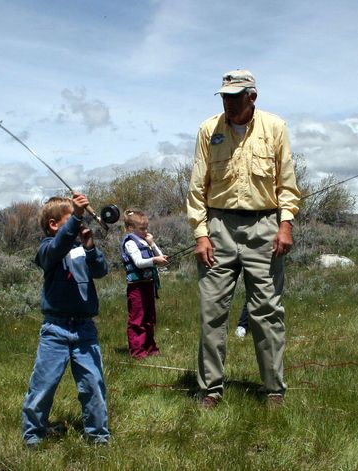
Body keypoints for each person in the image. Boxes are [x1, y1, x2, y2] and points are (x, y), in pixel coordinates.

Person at [187, 69, 300, 408]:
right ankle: (210, 390)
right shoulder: (209, 130)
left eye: (235, 96)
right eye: (224, 96)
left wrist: (285, 226)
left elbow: (287, 184)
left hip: (264, 227)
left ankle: (274, 389)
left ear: (252, 96)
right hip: (218, 227)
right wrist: (201, 234)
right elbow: (197, 187)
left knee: (267, 310)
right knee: (212, 313)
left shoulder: (275, 127)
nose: (229, 103)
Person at [21, 193, 110, 447]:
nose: (78, 223)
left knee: (93, 384)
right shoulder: (47, 249)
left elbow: (100, 271)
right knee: (43, 385)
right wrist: (77, 218)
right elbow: (58, 247)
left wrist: (91, 247)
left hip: (84, 330)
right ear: (54, 224)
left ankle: (98, 436)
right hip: (55, 330)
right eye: (71, 219)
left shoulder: (81, 248)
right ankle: (33, 436)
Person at [120, 209, 168, 358]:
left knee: (149, 318)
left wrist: (152, 244)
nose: (145, 231)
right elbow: (139, 262)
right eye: (142, 228)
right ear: (130, 228)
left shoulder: (145, 241)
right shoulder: (130, 242)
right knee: (137, 319)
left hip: (148, 285)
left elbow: (160, 256)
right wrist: (154, 260)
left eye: (146, 228)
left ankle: (150, 347)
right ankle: (137, 351)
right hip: (136, 287)